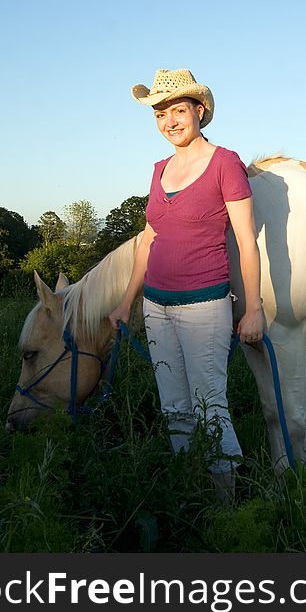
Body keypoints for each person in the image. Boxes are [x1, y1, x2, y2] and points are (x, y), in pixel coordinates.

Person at [108, 69, 264, 502]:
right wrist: (126, 303)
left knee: (209, 403)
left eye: (178, 110)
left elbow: (246, 242)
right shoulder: (159, 170)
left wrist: (253, 308)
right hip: (154, 306)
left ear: (200, 111)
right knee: (173, 404)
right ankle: (190, 488)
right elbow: (150, 239)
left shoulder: (225, 163)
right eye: (160, 114)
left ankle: (225, 506)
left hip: (203, 305)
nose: (169, 122)